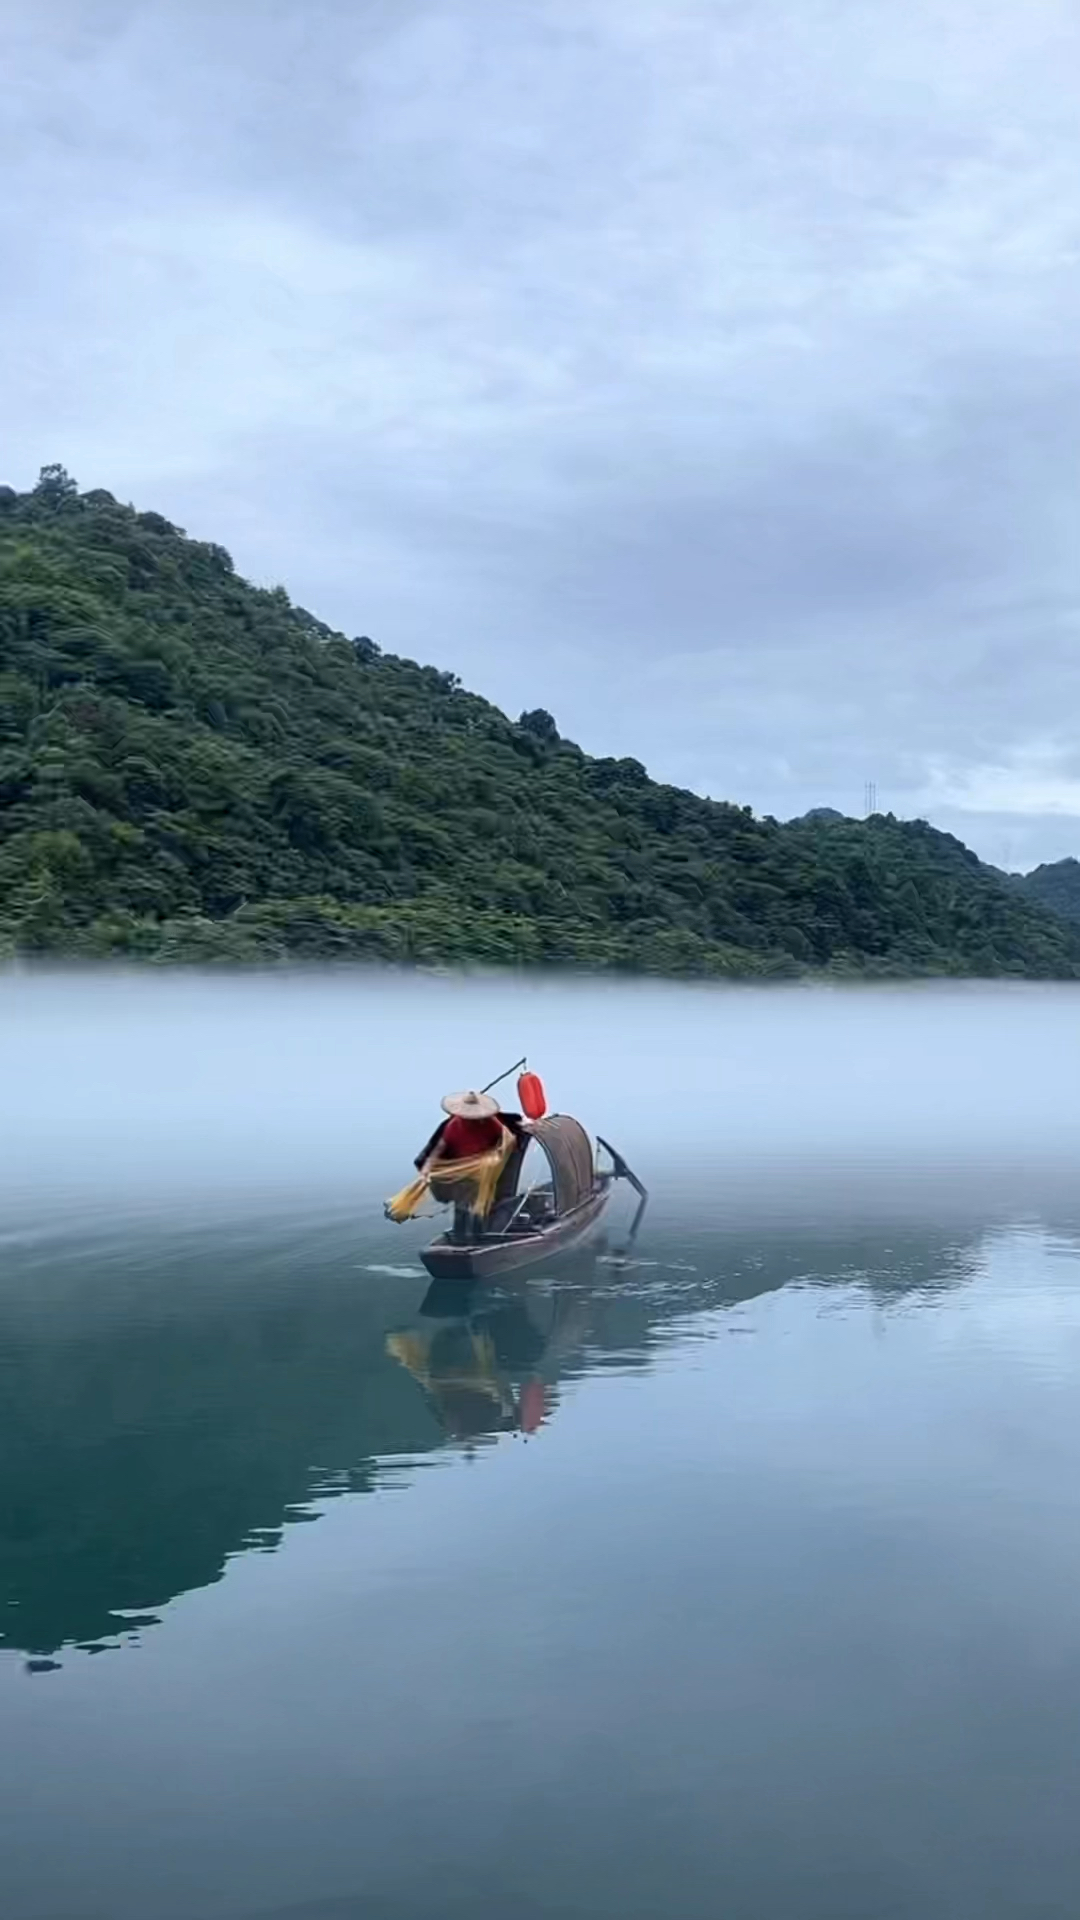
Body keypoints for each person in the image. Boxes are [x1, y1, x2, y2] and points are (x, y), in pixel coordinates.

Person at [416, 1091, 521, 1243]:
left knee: (480, 1204)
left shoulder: (491, 1122)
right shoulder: (453, 1127)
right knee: (462, 1205)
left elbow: (508, 1141)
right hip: (463, 1168)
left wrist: (496, 1155)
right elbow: (438, 1149)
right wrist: (427, 1169)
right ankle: (460, 1239)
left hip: (486, 1171)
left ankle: (480, 1238)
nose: (475, 1120)